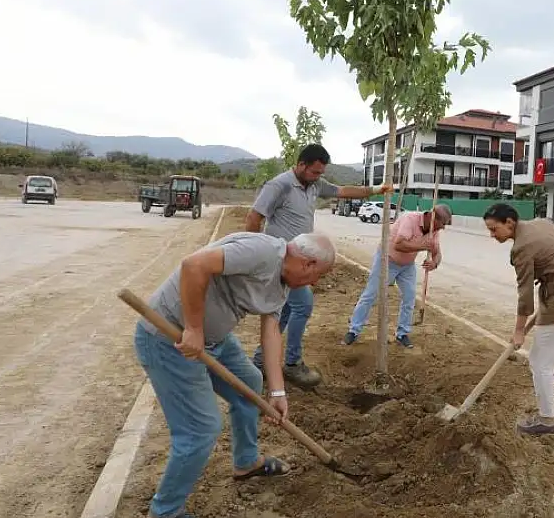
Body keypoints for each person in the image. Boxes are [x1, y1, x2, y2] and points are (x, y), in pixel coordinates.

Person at [134, 231, 337, 518]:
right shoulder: (262, 252)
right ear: (307, 263)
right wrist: (193, 328)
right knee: (200, 430)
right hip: (172, 341)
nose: (315, 283)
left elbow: (271, 333)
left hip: (214, 342)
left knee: (250, 384)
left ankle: (246, 462)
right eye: (318, 275)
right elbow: (193, 265)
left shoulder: (283, 284)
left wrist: (277, 391)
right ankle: (165, 511)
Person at [245, 144, 392, 388]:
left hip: (299, 261)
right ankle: (291, 364)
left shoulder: (315, 185)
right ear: (301, 165)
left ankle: (260, 362)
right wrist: (254, 258)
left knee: (284, 313)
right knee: (303, 305)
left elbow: (343, 190)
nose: (318, 177)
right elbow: (254, 217)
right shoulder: (279, 185)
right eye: (314, 172)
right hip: (281, 260)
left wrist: (376, 189)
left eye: (321, 173)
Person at [483, 202, 554, 436]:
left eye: (494, 229)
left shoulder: (521, 248)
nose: (492, 235)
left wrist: (519, 331)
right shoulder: (542, 223)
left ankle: (547, 421)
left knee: (540, 362)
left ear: (509, 223)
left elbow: (524, 294)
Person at [342, 204, 453, 348]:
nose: (443, 227)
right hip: (387, 260)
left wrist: (434, 263)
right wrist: (423, 246)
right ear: (432, 216)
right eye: (442, 223)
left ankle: (402, 334)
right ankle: (353, 330)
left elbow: (437, 252)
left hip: (407, 266)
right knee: (371, 295)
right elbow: (399, 245)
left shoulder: (434, 230)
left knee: (410, 297)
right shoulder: (409, 219)